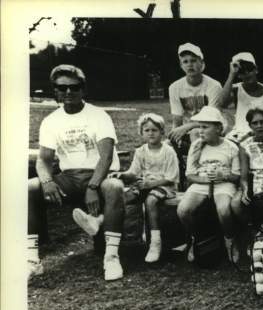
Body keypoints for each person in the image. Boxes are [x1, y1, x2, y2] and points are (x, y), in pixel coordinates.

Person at [28, 64, 126, 281]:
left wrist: (93, 186)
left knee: (115, 187)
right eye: (62, 88)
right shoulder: (51, 121)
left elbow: (106, 157)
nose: (68, 92)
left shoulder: (98, 116)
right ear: (55, 91)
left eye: (74, 87)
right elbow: (43, 160)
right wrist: (46, 181)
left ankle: (111, 258)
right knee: (31, 187)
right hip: (70, 177)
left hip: (99, 176)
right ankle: (32, 260)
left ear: (83, 89)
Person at [177, 106, 242, 265]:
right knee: (183, 210)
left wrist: (223, 176)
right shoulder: (197, 146)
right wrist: (206, 180)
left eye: (205, 127)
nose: (200, 131)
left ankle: (230, 240)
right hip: (201, 183)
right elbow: (190, 175)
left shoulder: (231, 147)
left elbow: (237, 176)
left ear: (219, 128)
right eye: (199, 126)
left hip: (224, 184)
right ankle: (195, 238)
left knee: (224, 209)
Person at [115, 112, 180, 264]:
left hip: (166, 187)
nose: (151, 133)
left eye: (154, 130)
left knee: (150, 201)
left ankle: (155, 242)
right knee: (125, 197)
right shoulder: (141, 151)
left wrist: (150, 184)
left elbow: (172, 177)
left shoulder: (168, 151)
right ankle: (100, 221)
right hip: (145, 185)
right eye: (147, 130)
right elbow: (134, 172)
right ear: (141, 133)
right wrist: (123, 175)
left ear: (162, 132)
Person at [168, 43, 224, 148]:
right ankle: (180, 164)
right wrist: (175, 135)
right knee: (167, 144)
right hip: (186, 130)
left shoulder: (214, 85)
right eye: (185, 61)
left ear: (202, 63)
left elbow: (211, 119)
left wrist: (188, 126)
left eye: (193, 60)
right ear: (181, 66)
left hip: (211, 129)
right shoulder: (174, 87)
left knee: (196, 133)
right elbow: (177, 120)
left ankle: (196, 163)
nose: (189, 65)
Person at [217, 51, 263, 143]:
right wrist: (231, 74)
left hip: (261, 134)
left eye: (249, 69)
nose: (247, 73)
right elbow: (221, 103)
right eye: (242, 71)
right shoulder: (236, 89)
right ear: (239, 75)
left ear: (256, 70)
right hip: (238, 135)